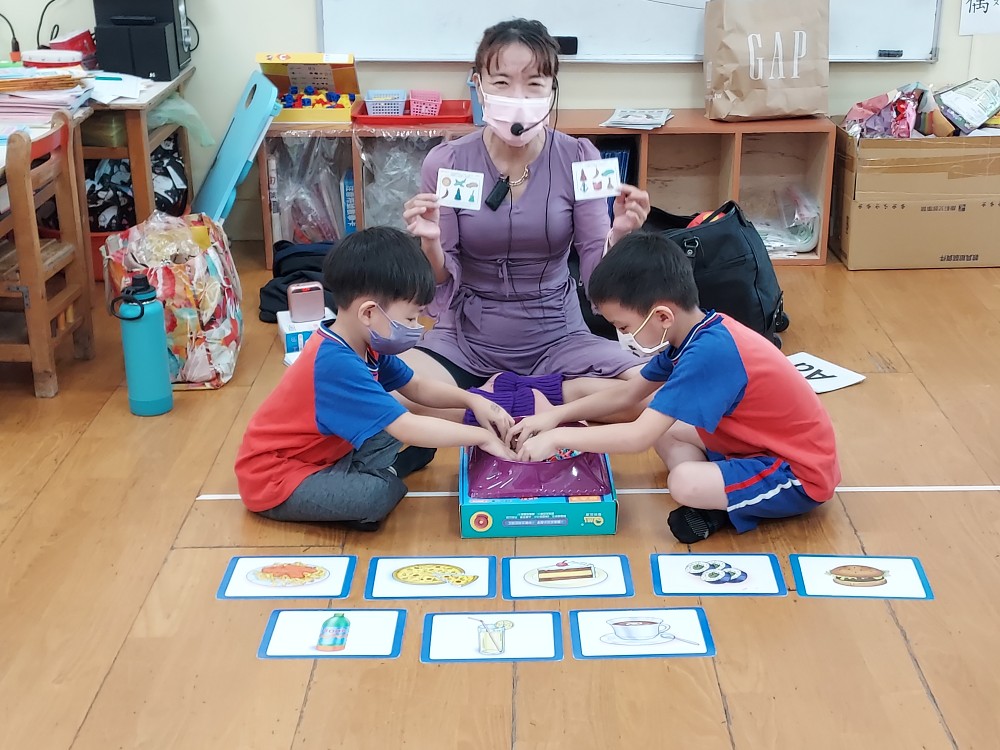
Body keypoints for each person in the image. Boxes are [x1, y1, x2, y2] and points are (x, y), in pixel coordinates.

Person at [508, 233, 841, 543]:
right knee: (667, 429)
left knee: (683, 481)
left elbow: (637, 437)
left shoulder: (709, 354)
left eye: (624, 326)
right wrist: (555, 416)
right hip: (750, 447)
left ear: (663, 316)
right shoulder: (694, 334)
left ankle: (718, 503)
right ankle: (720, 497)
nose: (623, 335)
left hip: (798, 474)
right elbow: (627, 393)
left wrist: (559, 437)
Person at [402, 19, 652, 413]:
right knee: (392, 393)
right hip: (467, 338)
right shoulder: (447, 161)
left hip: (558, 336)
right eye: (501, 82)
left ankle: (494, 406)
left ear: (552, 88)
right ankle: (545, 404)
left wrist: (619, 234)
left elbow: (597, 275)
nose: (517, 96)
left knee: (651, 393)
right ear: (478, 84)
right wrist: (430, 242)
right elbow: (439, 280)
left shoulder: (582, 157)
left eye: (534, 83)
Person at [234, 227, 514, 531]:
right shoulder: (335, 363)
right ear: (368, 312)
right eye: (410, 318)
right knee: (376, 494)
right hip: (275, 480)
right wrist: (481, 437)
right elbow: (406, 427)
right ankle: (385, 475)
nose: (416, 327)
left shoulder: (364, 343)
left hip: (326, 454)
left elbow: (416, 387)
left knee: (390, 418)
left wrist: (473, 399)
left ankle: (369, 474)